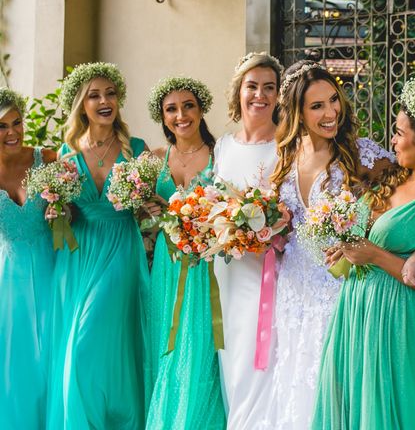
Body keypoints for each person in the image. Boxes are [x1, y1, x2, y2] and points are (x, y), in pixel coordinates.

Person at [312, 79, 415, 429]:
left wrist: (375, 256)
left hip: (399, 315)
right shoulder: (389, 177)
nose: (391, 140)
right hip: (356, 306)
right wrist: (346, 249)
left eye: (398, 133)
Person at [265, 61, 394, 429]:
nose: (331, 112)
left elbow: (400, 210)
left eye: (334, 100)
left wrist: (364, 239)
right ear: (297, 113)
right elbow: (287, 226)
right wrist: (271, 230)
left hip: (339, 285)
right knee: (295, 372)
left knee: (334, 377)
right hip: (293, 286)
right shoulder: (286, 158)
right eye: (317, 106)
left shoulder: (363, 154)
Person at [47, 62, 149, 429]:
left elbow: (149, 211)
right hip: (79, 256)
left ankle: (113, 418)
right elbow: (63, 212)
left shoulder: (137, 149)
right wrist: (56, 210)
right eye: (94, 95)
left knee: (88, 340)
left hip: (120, 251)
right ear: (82, 105)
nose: (105, 101)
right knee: (87, 341)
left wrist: (147, 208)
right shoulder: (67, 152)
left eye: (110, 93)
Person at [143, 76, 225, 429]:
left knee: (201, 345)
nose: (181, 115)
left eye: (188, 106)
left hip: (206, 264)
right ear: (162, 118)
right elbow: (140, 218)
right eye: (171, 109)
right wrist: (145, 210)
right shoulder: (155, 160)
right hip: (166, 264)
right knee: (166, 345)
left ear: (201, 108)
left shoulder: (221, 154)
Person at [213, 51, 284, 430]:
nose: (260, 95)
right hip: (227, 269)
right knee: (232, 352)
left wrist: (270, 229)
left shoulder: (286, 145)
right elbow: (211, 204)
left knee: (263, 352)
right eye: (252, 86)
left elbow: (293, 210)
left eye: (269, 88)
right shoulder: (223, 146)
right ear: (238, 91)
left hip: (267, 268)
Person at [0, 89, 56, 429]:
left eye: (16, 123)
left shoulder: (47, 159)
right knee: (17, 360)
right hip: (10, 279)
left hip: (53, 267)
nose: (12, 133)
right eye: (1, 126)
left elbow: (75, 210)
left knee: (52, 351)